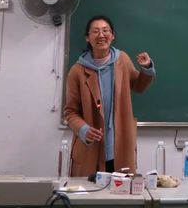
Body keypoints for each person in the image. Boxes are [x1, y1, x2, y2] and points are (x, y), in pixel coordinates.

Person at [64, 14, 156, 176]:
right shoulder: (77, 71)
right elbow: (70, 112)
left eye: (106, 30)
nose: (101, 35)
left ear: (112, 36)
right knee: (89, 190)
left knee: (121, 189)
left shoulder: (122, 61)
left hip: (120, 147)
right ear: (87, 37)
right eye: (95, 31)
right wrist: (83, 129)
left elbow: (138, 86)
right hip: (90, 149)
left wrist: (147, 68)